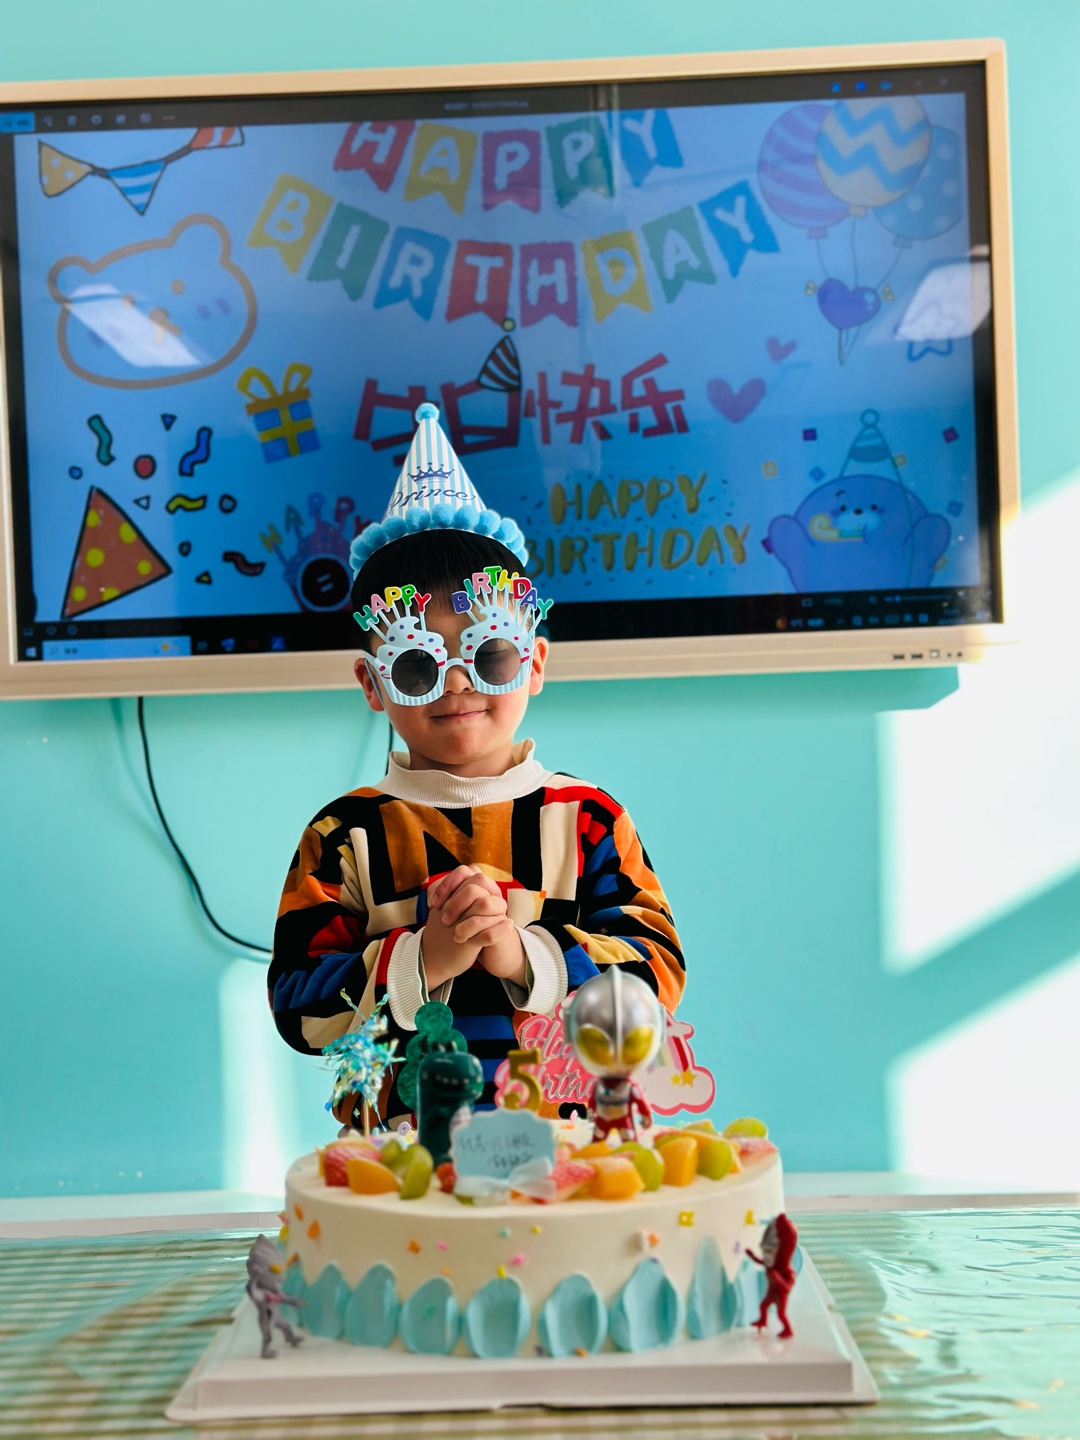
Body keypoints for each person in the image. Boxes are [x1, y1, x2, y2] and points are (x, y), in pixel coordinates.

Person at [269, 404, 684, 1123]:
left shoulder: (587, 819)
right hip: (399, 1159)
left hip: (574, 1151)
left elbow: (658, 974)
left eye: (488, 654)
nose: (458, 682)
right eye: (416, 664)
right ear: (372, 683)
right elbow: (297, 1009)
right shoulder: (344, 834)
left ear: (535, 662)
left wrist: (524, 956)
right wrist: (420, 958)